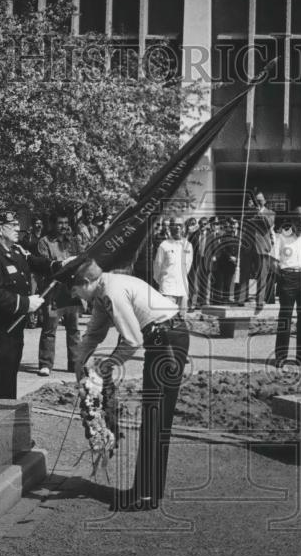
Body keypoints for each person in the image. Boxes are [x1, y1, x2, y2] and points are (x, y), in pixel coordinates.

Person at [70, 260, 188, 512]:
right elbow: (94, 333)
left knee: (155, 418)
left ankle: (145, 495)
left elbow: (132, 339)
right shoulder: (103, 291)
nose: (75, 296)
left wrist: (107, 365)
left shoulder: (111, 292)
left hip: (166, 340)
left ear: (87, 283)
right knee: (155, 417)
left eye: (76, 290)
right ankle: (148, 490)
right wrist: (80, 365)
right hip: (164, 337)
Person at [0, 210, 59, 399]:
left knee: (10, 374)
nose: (17, 228)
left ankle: (6, 416)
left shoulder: (17, 251)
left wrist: (60, 265)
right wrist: (26, 303)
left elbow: (38, 263)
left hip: (14, 325)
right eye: (12, 225)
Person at [35, 214, 83, 375]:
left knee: (74, 328)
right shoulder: (45, 242)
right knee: (50, 328)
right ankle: (45, 364)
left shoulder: (73, 241)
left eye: (66, 222)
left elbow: (82, 260)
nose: (63, 226)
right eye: (60, 222)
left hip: (71, 290)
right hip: (53, 290)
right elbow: (45, 265)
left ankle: (75, 363)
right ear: (52, 224)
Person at [271, 208, 301, 366]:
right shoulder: (281, 237)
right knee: (285, 318)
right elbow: (274, 262)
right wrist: (285, 275)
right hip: (287, 278)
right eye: (298, 222)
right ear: (291, 221)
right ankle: (280, 356)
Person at [241, 192, 276, 312]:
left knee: (262, 275)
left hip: (262, 247)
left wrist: (259, 212)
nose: (258, 203)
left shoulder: (270, 213)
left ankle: (260, 301)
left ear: (265, 201)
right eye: (256, 200)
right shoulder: (248, 213)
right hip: (248, 246)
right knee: (244, 274)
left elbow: (267, 224)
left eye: (260, 200)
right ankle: (242, 298)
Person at [153, 215, 193, 316]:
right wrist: (163, 281)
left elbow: (188, 266)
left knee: (181, 321)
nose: (178, 228)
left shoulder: (188, 245)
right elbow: (157, 266)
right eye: (175, 225)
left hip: (183, 289)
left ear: (183, 227)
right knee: (166, 319)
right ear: (170, 227)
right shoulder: (164, 245)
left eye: (180, 225)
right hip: (168, 289)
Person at [211, 218, 240, 305]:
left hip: (236, 261)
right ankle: (220, 299)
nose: (233, 225)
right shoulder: (226, 235)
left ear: (238, 225)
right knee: (223, 281)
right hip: (226, 261)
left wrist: (237, 258)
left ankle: (228, 298)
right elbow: (223, 247)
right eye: (231, 224)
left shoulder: (241, 235)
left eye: (235, 223)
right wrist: (230, 256)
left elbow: (242, 248)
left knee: (231, 281)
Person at [188, 216, 214, 309]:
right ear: (199, 225)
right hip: (195, 259)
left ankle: (203, 302)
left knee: (205, 281)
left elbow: (214, 248)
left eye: (205, 224)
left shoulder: (211, 235)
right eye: (201, 224)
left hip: (206, 260)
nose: (203, 226)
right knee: (194, 281)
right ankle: (192, 303)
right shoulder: (194, 235)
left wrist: (214, 257)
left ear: (207, 225)